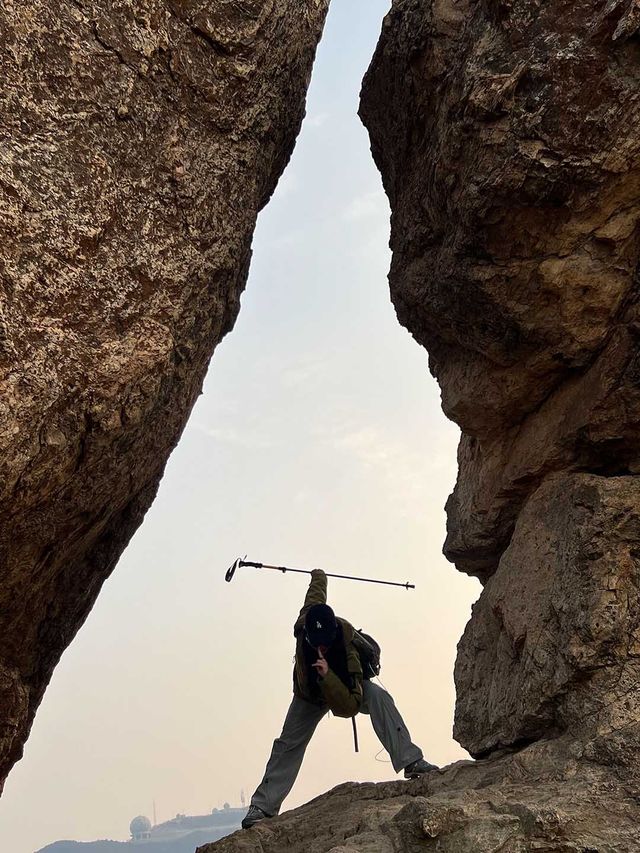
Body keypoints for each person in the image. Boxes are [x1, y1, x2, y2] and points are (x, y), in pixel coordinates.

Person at [242, 569, 438, 829]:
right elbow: (315, 596)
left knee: (379, 697)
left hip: (346, 688)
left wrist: (327, 677)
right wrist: (318, 575)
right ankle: (263, 807)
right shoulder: (306, 623)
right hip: (308, 697)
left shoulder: (346, 646)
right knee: (287, 743)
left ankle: (411, 760)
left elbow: (349, 707)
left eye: (325, 644)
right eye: (316, 644)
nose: (320, 648)